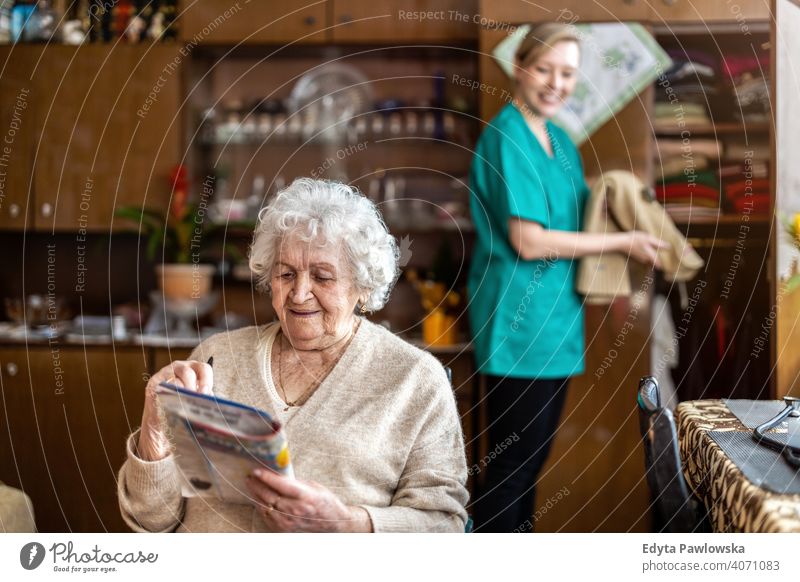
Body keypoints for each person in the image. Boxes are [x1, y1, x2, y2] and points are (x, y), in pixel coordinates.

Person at [118, 178, 469, 532]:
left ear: (362, 287)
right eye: (286, 273)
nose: (299, 294)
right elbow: (151, 521)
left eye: (322, 276)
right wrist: (154, 428)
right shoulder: (215, 357)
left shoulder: (413, 378)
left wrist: (348, 525)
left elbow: (444, 524)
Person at [467, 22, 666, 532]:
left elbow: (572, 209)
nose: (556, 83)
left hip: (556, 321)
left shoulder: (560, 140)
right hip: (519, 320)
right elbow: (530, 240)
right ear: (520, 67)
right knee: (511, 469)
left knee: (528, 468)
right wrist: (623, 243)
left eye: (568, 73)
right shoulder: (508, 136)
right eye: (545, 69)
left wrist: (613, 193)